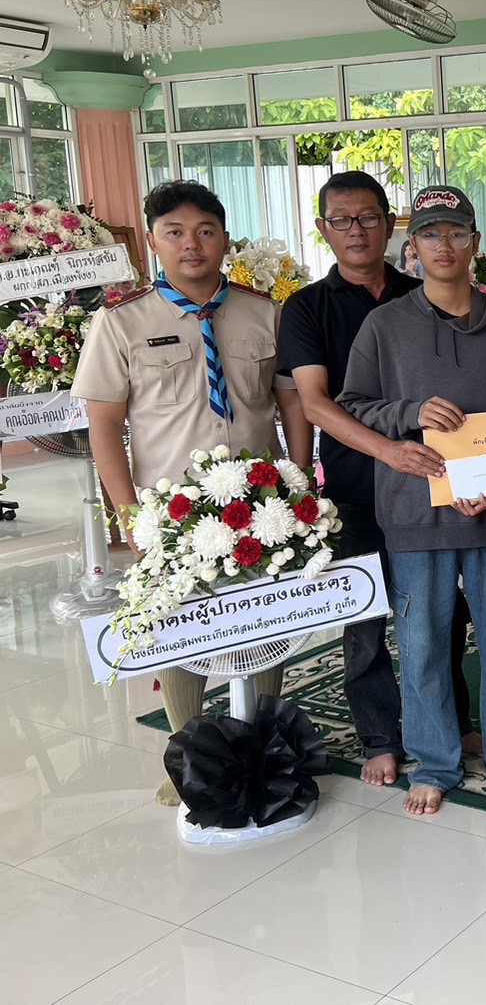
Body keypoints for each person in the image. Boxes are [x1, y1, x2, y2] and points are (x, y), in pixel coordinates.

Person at [72, 179, 313, 806]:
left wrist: (302, 479)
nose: (192, 244)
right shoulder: (121, 320)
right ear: (153, 241)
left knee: (265, 623)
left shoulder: (264, 311)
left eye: (205, 231)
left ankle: (263, 750)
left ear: (225, 238)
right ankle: (187, 759)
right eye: (175, 232)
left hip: (262, 504)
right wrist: (129, 515)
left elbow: (290, 403)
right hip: (169, 510)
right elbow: (104, 426)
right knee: (180, 631)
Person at [339, 184, 486, 816]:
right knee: (424, 641)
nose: (446, 246)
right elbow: (353, 406)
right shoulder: (384, 326)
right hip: (414, 511)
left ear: (476, 244)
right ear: (413, 249)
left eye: (458, 233)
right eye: (433, 235)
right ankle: (434, 761)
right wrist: (408, 411)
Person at [277, 170, 478, 789]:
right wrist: (386, 451)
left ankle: (451, 721)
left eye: (368, 217)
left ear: (393, 227)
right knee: (365, 619)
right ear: (323, 230)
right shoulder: (308, 307)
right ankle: (381, 737)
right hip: (357, 488)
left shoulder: (426, 292)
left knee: (440, 612)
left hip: (431, 485)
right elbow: (315, 402)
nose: (357, 230)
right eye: (342, 220)